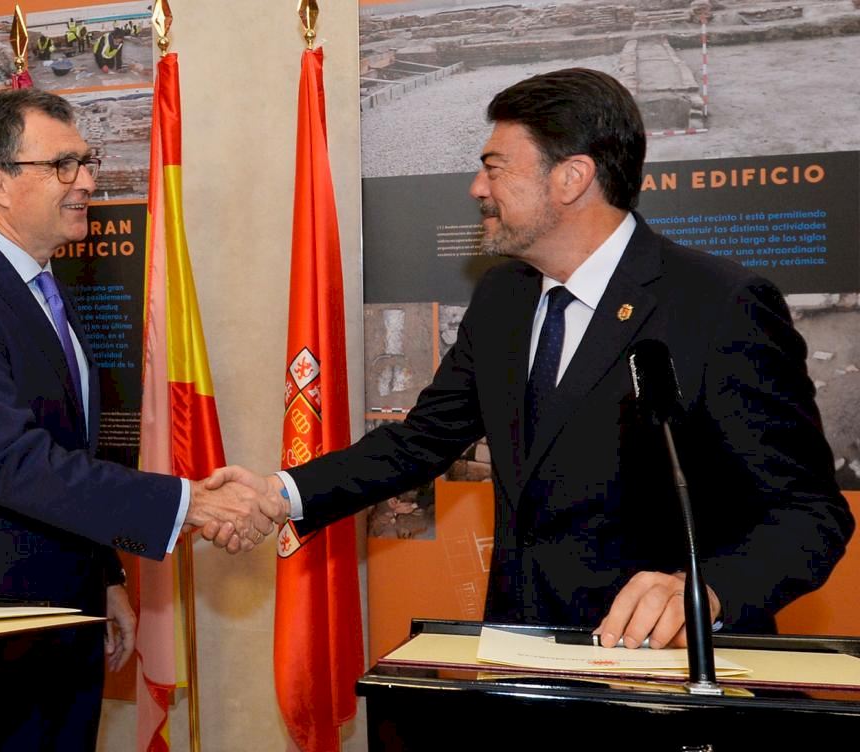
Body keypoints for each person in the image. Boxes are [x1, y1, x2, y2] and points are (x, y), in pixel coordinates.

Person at [209, 68, 854, 648]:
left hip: (663, 674)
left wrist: (706, 590)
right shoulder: (503, 299)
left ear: (572, 177)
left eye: (494, 168)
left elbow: (809, 516)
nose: (476, 187)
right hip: (521, 657)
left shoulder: (718, 304)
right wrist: (280, 493)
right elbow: (419, 443)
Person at [0, 88, 279, 750]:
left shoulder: (49, 288)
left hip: (68, 611)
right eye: (63, 165)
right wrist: (191, 503)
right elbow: (15, 464)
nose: (87, 182)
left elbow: (72, 452)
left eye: (86, 162)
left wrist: (105, 579)